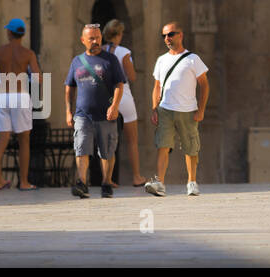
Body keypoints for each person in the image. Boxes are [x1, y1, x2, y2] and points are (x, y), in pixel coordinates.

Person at [145, 21, 209, 197]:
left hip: (188, 110)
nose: (167, 38)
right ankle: (160, 182)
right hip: (165, 109)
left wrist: (201, 109)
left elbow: (204, 85)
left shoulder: (193, 59)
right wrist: (154, 108)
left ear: (180, 35)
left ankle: (192, 181)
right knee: (163, 145)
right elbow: (157, 87)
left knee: (191, 147)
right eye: (164, 35)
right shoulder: (161, 60)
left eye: (171, 34)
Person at [64, 24, 125, 198]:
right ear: (83, 40)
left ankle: (106, 183)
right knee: (81, 147)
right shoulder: (76, 61)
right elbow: (69, 87)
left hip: (106, 114)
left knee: (107, 151)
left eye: (98, 37)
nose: (96, 41)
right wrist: (68, 111)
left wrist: (114, 106)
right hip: (83, 114)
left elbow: (119, 85)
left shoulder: (110, 60)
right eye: (91, 38)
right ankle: (82, 183)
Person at [0, 19, 39, 191]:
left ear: (9, 33)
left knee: (1, 139)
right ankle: (23, 182)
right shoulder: (28, 53)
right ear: (22, 34)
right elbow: (37, 77)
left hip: (4, 96)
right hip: (20, 96)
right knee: (24, 140)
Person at [103, 20, 148, 186]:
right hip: (123, 95)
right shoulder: (123, 52)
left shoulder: (98, 51)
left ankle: (106, 178)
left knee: (106, 140)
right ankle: (136, 176)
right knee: (132, 140)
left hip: (105, 96)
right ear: (119, 34)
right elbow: (132, 76)